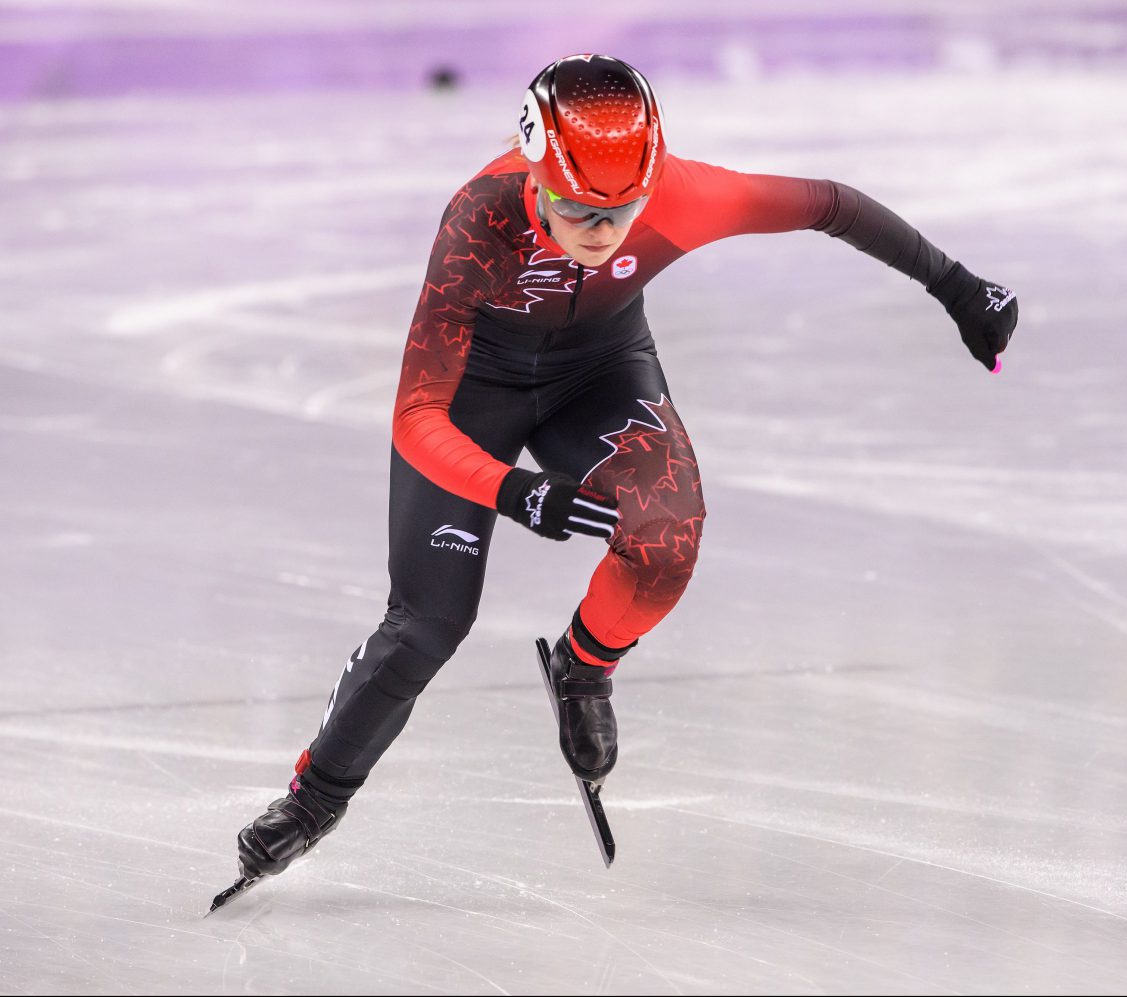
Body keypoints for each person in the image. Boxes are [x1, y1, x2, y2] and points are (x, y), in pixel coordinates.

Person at [234, 53, 1018, 879]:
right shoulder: (478, 223)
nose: (603, 231)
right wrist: (512, 489)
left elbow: (830, 204)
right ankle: (315, 798)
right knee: (430, 622)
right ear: (536, 175)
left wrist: (956, 286)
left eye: (623, 210)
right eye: (577, 208)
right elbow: (417, 415)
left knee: (668, 535)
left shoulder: (682, 192)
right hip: (474, 391)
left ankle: (586, 665)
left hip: (598, 373)